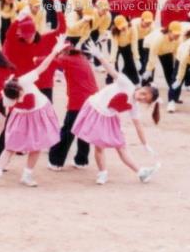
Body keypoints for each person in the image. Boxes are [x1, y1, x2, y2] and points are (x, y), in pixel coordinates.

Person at [68, 42, 160, 185]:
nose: (140, 98)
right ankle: (102, 173)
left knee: (121, 145)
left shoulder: (133, 106)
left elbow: (138, 125)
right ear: (141, 88)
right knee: (99, 146)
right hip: (96, 109)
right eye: (142, 94)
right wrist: (99, 56)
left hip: (110, 117)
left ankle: (140, 172)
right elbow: (112, 71)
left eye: (144, 99)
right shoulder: (127, 84)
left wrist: (145, 143)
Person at [0, 40, 67, 187]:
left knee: (37, 145)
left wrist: (55, 50)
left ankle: (27, 175)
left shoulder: (24, 80)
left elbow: (43, 66)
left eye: (20, 95)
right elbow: (1, 123)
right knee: (10, 145)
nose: (20, 97)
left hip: (39, 111)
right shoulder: (6, 98)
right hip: (22, 115)